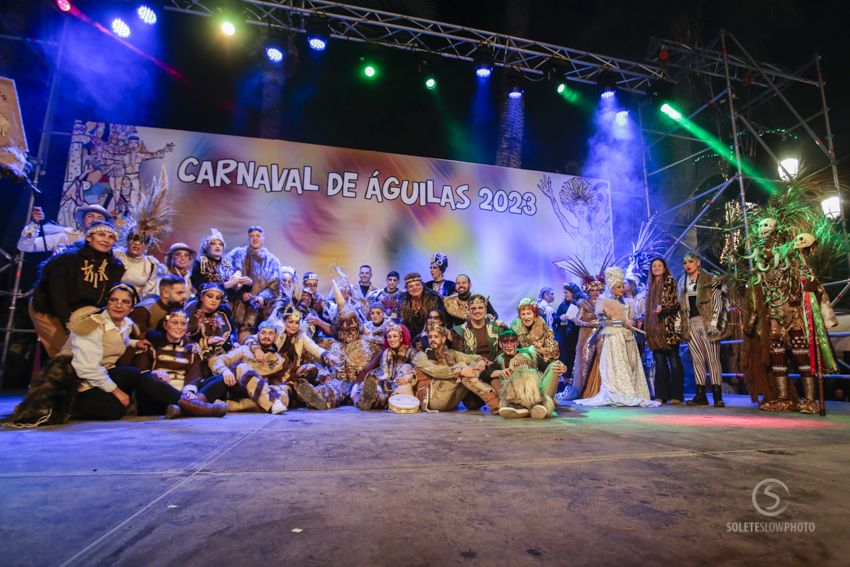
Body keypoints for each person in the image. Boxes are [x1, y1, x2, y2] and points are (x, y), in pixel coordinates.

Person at [29, 221, 125, 357]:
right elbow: (57, 297)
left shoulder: (115, 267)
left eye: (111, 237)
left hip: (82, 315)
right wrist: (71, 328)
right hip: (49, 311)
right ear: (89, 237)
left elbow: (105, 300)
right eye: (101, 235)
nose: (106, 240)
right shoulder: (66, 261)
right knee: (70, 352)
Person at [574, 267, 660, 408]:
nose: (621, 289)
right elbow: (603, 322)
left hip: (628, 337)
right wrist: (620, 322)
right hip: (614, 338)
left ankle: (633, 391)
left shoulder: (629, 303)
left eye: (622, 286)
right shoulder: (604, 302)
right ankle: (619, 391)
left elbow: (631, 319)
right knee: (616, 366)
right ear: (612, 288)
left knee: (631, 365)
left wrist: (630, 323)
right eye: (618, 286)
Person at [243, 305, 341, 409]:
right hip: (273, 371)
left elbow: (315, 348)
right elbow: (249, 338)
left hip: (291, 372)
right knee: (284, 390)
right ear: (284, 321)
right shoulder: (275, 331)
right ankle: (297, 396)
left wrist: (329, 355)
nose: (294, 326)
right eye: (291, 322)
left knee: (311, 369)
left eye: (297, 323)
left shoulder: (301, 336)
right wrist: (256, 349)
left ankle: (309, 395)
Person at [204, 321, 292, 414]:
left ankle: (229, 405)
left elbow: (283, 382)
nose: (266, 336)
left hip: (260, 392)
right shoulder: (244, 350)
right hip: (239, 388)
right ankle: (272, 402)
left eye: (270, 334)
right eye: (263, 333)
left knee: (283, 396)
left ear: (276, 336)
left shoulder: (279, 360)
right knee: (243, 367)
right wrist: (225, 371)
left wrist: (282, 388)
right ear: (258, 334)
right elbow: (215, 360)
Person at [412, 324, 501, 413]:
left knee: (473, 365)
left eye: (436, 337)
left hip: (450, 399)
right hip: (431, 398)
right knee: (461, 367)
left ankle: (500, 399)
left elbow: (470, 358)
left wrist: (481, 360)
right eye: (430, 337)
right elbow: (435, 371)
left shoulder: (450, 353)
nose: (432, 340)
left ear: (443, 339)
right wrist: (459, 371)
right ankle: (495, 403)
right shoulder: (421, 356)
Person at [679, 253, 727, 407]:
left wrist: (714, 322)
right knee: (697, 360)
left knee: (713, 359)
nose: (688, 265)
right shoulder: (683, 282)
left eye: (691, 261)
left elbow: (719, 302)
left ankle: (717, 394)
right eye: (685, 262)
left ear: (698, 262)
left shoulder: (710, 279)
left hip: (707, 322)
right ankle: (700, 394)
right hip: (691, 324)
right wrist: (680, 323)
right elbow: (682, 306)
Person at [484, 328, 565, 419]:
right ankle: (524, 408)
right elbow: (484, 374)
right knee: (516, 376)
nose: (509, 345)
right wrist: (499, 372)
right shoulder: (500, 360)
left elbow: (546, 367)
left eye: (512, 341)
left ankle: (539, 405)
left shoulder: (530, 353)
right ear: (500, 344)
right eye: (505, 342)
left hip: (540, 393)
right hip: (518, 397)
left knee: (555, 365)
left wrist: (562, 367)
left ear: (517, 342)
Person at [225, 225, 282, 342]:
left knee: (255, 341)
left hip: (259, 310)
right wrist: (241, 293)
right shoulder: (238, 255)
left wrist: (261, 297)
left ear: (263, 238)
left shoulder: (272, 261)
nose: (254, 239)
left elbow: (274, 287)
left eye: (258, 236)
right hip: (236, 307)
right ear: (248, 238)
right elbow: (228, 276)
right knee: (232, 340)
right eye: (251, 236)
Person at [645, 258, 684, 404]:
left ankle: (676, 395)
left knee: (674, 361)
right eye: (654, 266)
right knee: (659, 363)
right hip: (654, 330)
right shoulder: (650, 286)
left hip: (669, 328)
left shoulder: (670, 282)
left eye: (659, 265)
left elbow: (676, 302)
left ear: (664, 267)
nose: (656, 268)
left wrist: (664, 307)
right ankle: (661, 394)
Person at [353, 323, 416, 410]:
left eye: (395, 336)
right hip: (388, 382)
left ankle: (379, 399)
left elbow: (418, 371)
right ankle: (368, 399)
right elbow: (382, 373)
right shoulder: (386, 352)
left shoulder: (410, 351)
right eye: (389, 337)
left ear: (401, 338)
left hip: (402, 382)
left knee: (407, 366)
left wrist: (410, 377)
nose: (392, 339)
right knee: (376, 387)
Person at [17, 204, 112, 254]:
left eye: (100, 218)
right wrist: (34, 224)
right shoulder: (66, 236)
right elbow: (24, 247)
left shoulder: (109, 248)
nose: (95, 220)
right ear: (83, 219)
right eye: (90, 216)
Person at [185, 283, 235, 365]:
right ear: (201, 297)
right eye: (210, 296)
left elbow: (232, 332)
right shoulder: (193, 314)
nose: (214, 300)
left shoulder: (223, 313)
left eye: (218, 298)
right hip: (201, 359)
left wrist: (234, 342)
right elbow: (187, 341)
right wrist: (207, 342)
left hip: (224, 355)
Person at [451, 294, 502, 361]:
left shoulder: (496, 327)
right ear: (468, 310)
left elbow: (503, 350)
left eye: (480, 307)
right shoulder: (459, 331)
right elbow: (458, 357)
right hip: (471, 368)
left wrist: (496, 362)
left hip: (495, 367)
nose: (477, 311)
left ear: (486, 310)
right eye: (473, 308)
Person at [190, 228, 243, 292]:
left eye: (220, 244)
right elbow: (200, 285)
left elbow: (235, 286)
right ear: (207, 247)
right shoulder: (201, 262)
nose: (218, 246)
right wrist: (224, 285)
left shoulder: (227, 264)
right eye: (213, 243)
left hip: (227, 300)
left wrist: (246, 284)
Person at [510, 298, 560, 365]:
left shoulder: (544, 328)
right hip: (522, 364)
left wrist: (540, 349)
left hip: (541, 365)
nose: (526, 317)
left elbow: (554, 351)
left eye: (528, 313)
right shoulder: (515, 328)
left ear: (534, 314)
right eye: (523, 314)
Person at [399, 272, 444, 337]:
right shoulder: (403, 300)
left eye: (417, 285)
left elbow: (440, 320)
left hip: (431, 335)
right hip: (410, 337)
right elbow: (402, 323)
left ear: (422, 285)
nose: (414, 288)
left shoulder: (434, 298)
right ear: (407, 289)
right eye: (411, 286)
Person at [553, 283, 581, 387]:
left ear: (573, 293)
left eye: (566, 292)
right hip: (563, 335)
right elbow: (555, 317)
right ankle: (565, 383)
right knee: (563, 358)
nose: (564, 295)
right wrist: (560, 317)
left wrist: (575, 320)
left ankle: (574, 384)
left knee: (573, 358)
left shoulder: (580, 304)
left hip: (575, 335)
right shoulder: (563, 305)